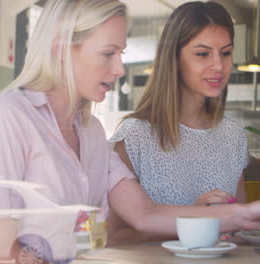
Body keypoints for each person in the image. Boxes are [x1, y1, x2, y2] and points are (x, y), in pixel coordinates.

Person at [0, 0, 260, 263]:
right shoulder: (6, 117)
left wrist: (253, 215)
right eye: (108, 53)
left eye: (120, 52)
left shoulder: (89, 131)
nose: (120, 68)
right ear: (60, 49)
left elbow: (146, 213)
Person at [106, 1, 248, 244]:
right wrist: (192, 221)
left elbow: (241, 227)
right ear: (173, 58)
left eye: (225, 53)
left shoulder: (233, 136)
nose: (218, 66)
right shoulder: (135, 136)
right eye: (203, 54)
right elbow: (115, 237)